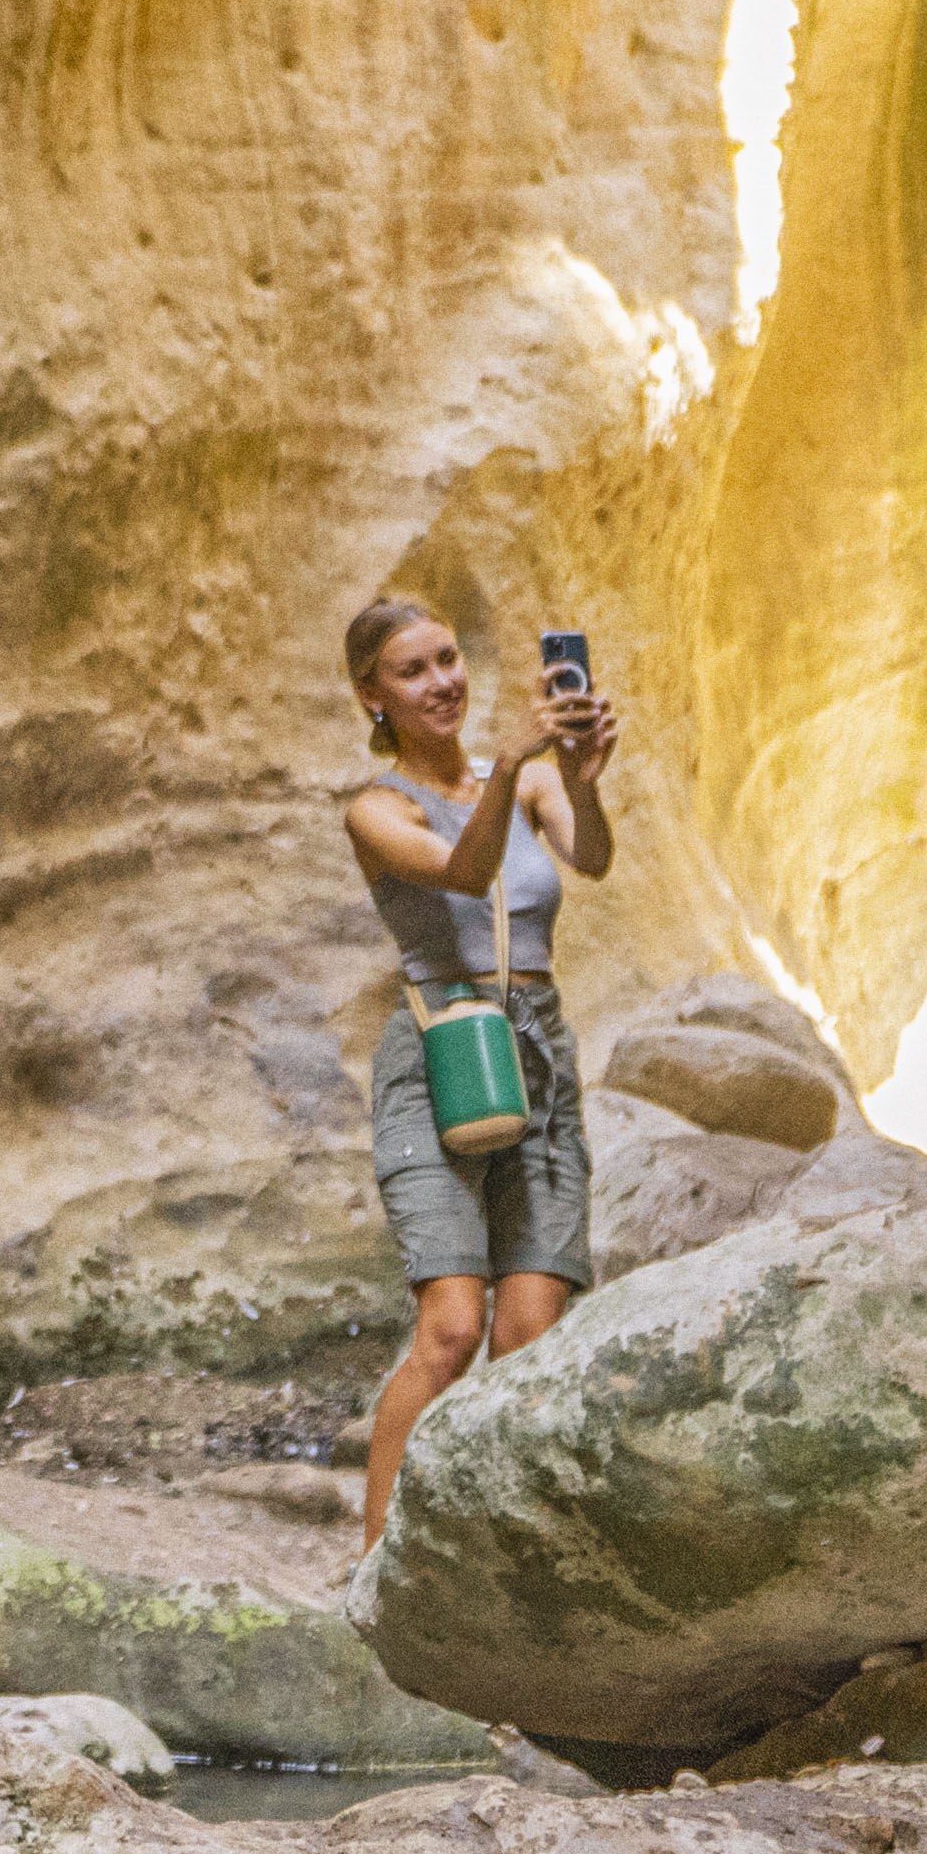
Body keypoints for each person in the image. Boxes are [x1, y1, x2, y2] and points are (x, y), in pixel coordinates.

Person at [340, 599, 623, 1535]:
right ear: (371, 696)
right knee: (453, 1328)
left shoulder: (529, 786)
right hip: (439, 1053)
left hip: (534, 1052)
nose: (442, 683)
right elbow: (463, 873)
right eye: (413, 671)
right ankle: (375, 1554)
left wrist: (579, 779)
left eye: (449, 660)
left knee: (530, 1331)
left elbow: (591, 858)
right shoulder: (377, 809)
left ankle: (493, 1550)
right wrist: (507, 763)